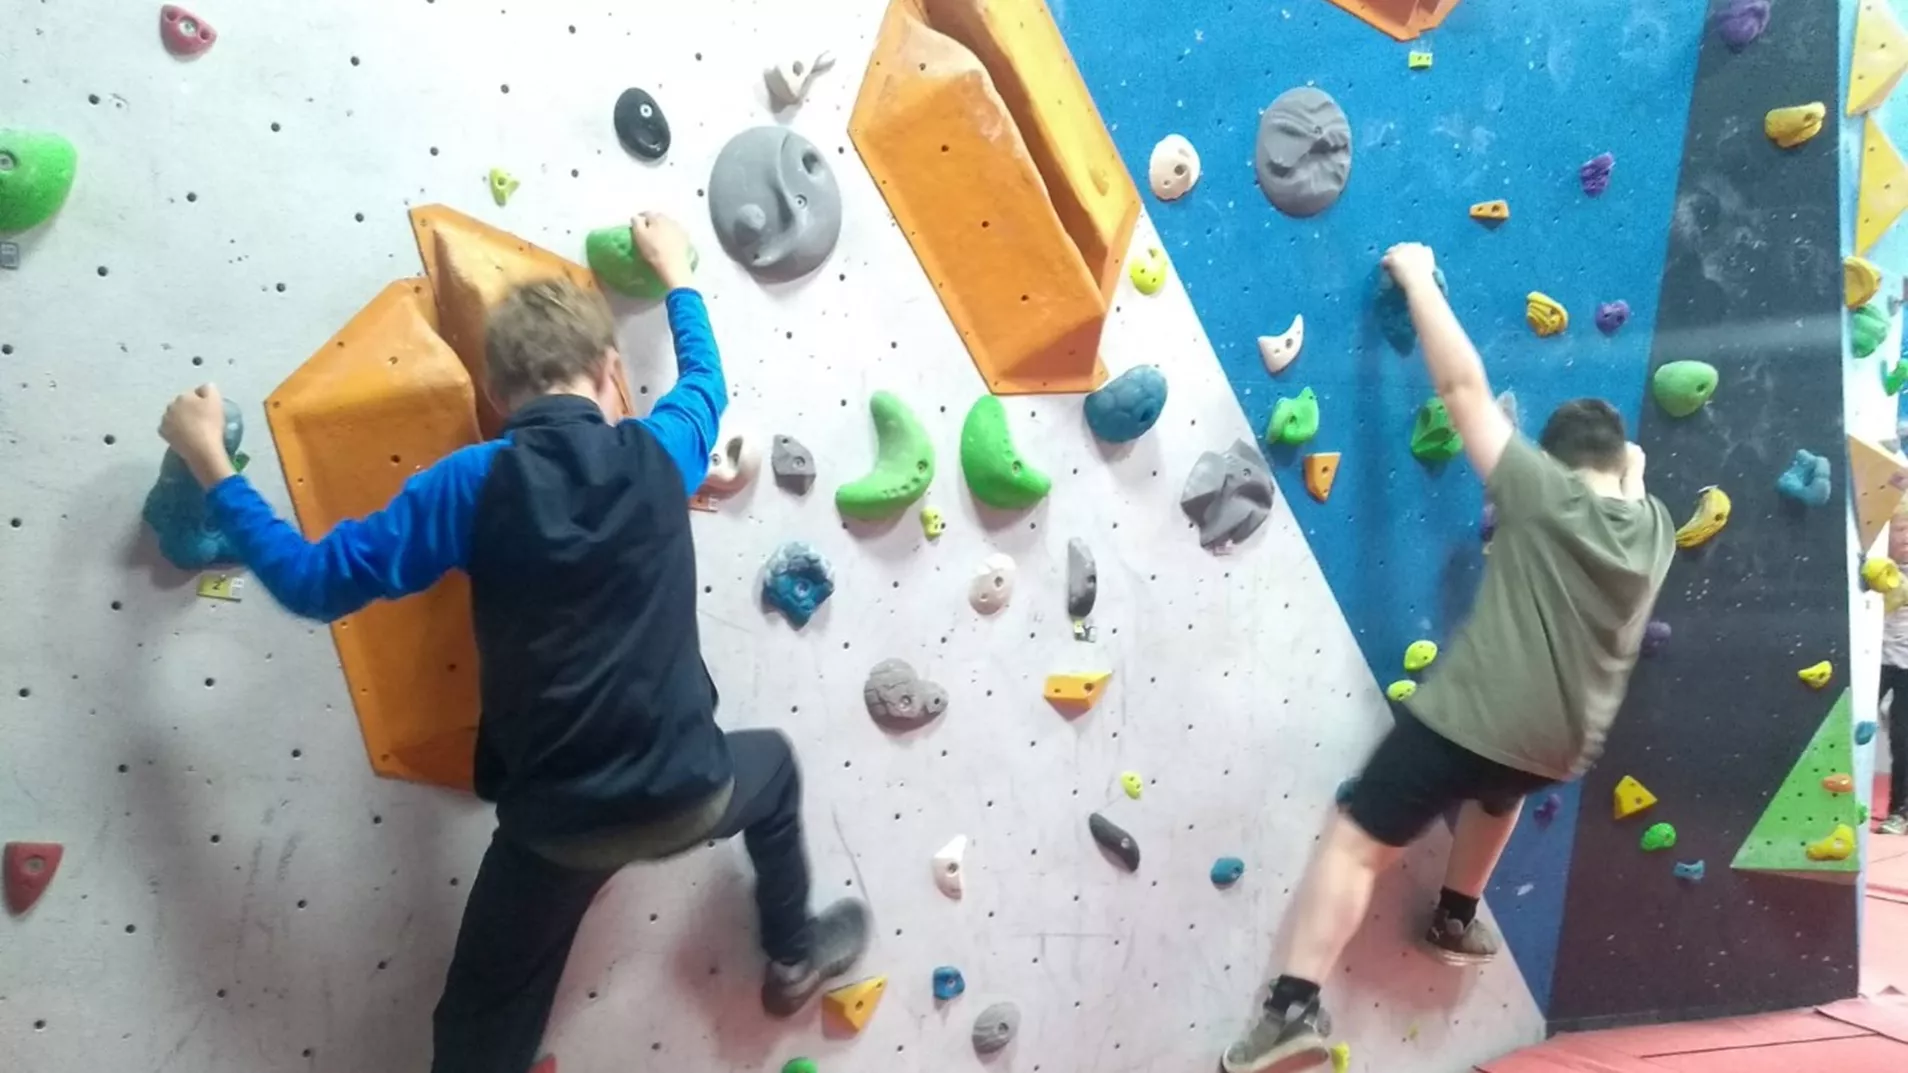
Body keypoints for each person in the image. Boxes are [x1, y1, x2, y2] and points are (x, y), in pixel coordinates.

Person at [157, 212, 869, 1073]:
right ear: (613, 374)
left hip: (557, 831)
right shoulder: (660, 450)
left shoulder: (472, 482)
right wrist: (677, 273)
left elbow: (313, 581)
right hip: (694, 790)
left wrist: (215, 469)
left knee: (478, 1029)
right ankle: (791, 953)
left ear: (495, 400)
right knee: (778, 768)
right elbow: (707, 381)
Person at [1222, 242, 1675, 1073]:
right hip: (1560, 748)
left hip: (1477, 717)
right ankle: (1456, 912)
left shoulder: (1542, 491)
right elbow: (1635, 470)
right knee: (1498, 797)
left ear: (1561, 465)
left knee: (1359, 841)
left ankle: (1290, 1009)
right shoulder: (1657, 532)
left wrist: (1418, 277)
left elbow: (1462, 387)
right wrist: (1626, 461)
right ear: (1619, 468)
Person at [1879, 510, 1908, 835]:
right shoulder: (1872, 568)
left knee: (1904, 737)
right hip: (1874, 660)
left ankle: (1900, 811)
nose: (1906, 537)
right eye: (1901, 529)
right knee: (1852, 729)